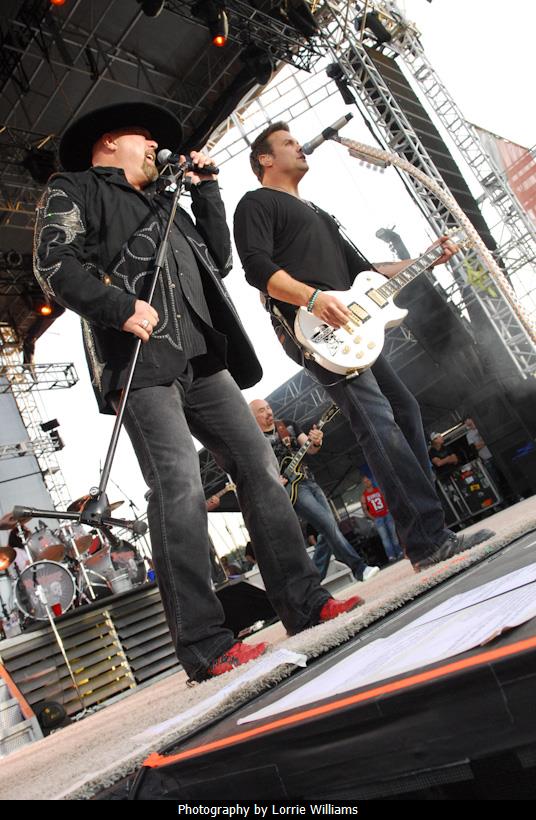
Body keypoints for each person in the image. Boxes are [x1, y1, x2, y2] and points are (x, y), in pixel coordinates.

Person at [32, 103, 362, 682]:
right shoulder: (75, 189)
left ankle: (304, 602)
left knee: (259, 464)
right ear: (108, 144)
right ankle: (205, 645)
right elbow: (52, 263)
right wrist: (118, 306)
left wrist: (206, 191)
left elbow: (219, 260)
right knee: (178, 484)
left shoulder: (167, 202)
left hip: (204, 357)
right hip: (140, 359)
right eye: (143, 137)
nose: (154, 144)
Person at [234, 121, 494, 573]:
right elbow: (256, 269)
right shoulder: (256, 203)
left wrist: (423, 259)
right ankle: (428, 541)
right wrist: (312, 298)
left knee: (404, 410)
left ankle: (427, 527)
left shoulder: (317, 212)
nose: (300, 146)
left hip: (354, 328)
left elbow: (366, 271)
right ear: (265, 159)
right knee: (378, 424)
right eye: (289, 143)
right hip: (315, 329)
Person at [250, 399, 380, 582]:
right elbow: (255, 470)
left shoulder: (287, 425)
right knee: (328, 525)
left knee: (328, 527)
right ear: (252, 416)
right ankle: (359, 568)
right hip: (294, 490)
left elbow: (310, 448)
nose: (268, 412)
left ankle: (315, 580)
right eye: (262, 411)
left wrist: (316, 441)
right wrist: (272, 479)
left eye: (268, 407)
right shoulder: (254, 441)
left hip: (310, 480)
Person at [360, 476, 404, 563]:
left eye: (368, 480)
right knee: (385, 538)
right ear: (363, 484)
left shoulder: (378, 490)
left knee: (393, 534)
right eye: (365, 482)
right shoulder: (364, 496)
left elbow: (386, 499)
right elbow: (365, 510)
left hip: (386, 515)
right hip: (378, 518)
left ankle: (399, 551)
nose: (367, 482)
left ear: (371, 481)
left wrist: (388, 510)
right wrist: (373, 518)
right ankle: (391, 555)